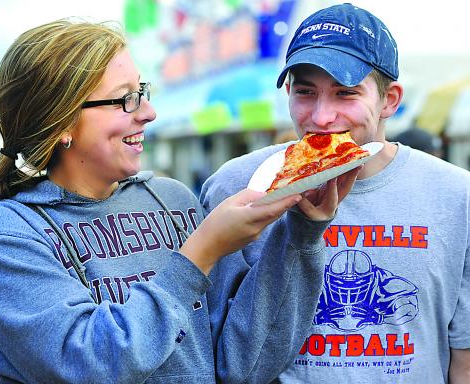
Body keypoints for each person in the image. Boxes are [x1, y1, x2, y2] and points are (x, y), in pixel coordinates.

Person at [0, 18, 359, 384]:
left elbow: (245, 364)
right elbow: (90, 364)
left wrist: (303, 232)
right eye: (126, 99)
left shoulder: (173, 201)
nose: (148, 113)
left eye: (142, 91)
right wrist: (200, 253)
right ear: (62, 124)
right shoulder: (8, 234)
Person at [201, 3, 470, 383]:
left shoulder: (457, 196)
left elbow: (464, 359)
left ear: (390, 100)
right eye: (305, 92)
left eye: (346, 94)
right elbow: (217, 358)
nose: (322, 118)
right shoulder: (237, 186)